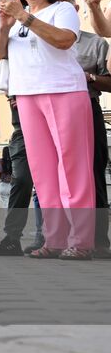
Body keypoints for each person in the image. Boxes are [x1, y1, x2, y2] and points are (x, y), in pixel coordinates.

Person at [0, 0, 94, 259]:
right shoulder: (16, 20)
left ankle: (82, 241)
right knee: (44, 172)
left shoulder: (61, 10)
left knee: (72, 168)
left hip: (63, 91)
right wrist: (4, 25)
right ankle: (55, 239)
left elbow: (64, 41)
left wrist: (23, 16)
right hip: (27, 96)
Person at [73, 29, 110, 254]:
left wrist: (90, 77)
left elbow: (109, 81)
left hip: (88, 105)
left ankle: (99, 241)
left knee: (94, 173)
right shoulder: (38, 38)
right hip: (51, 112)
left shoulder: (95, 42)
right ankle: (56, 236)